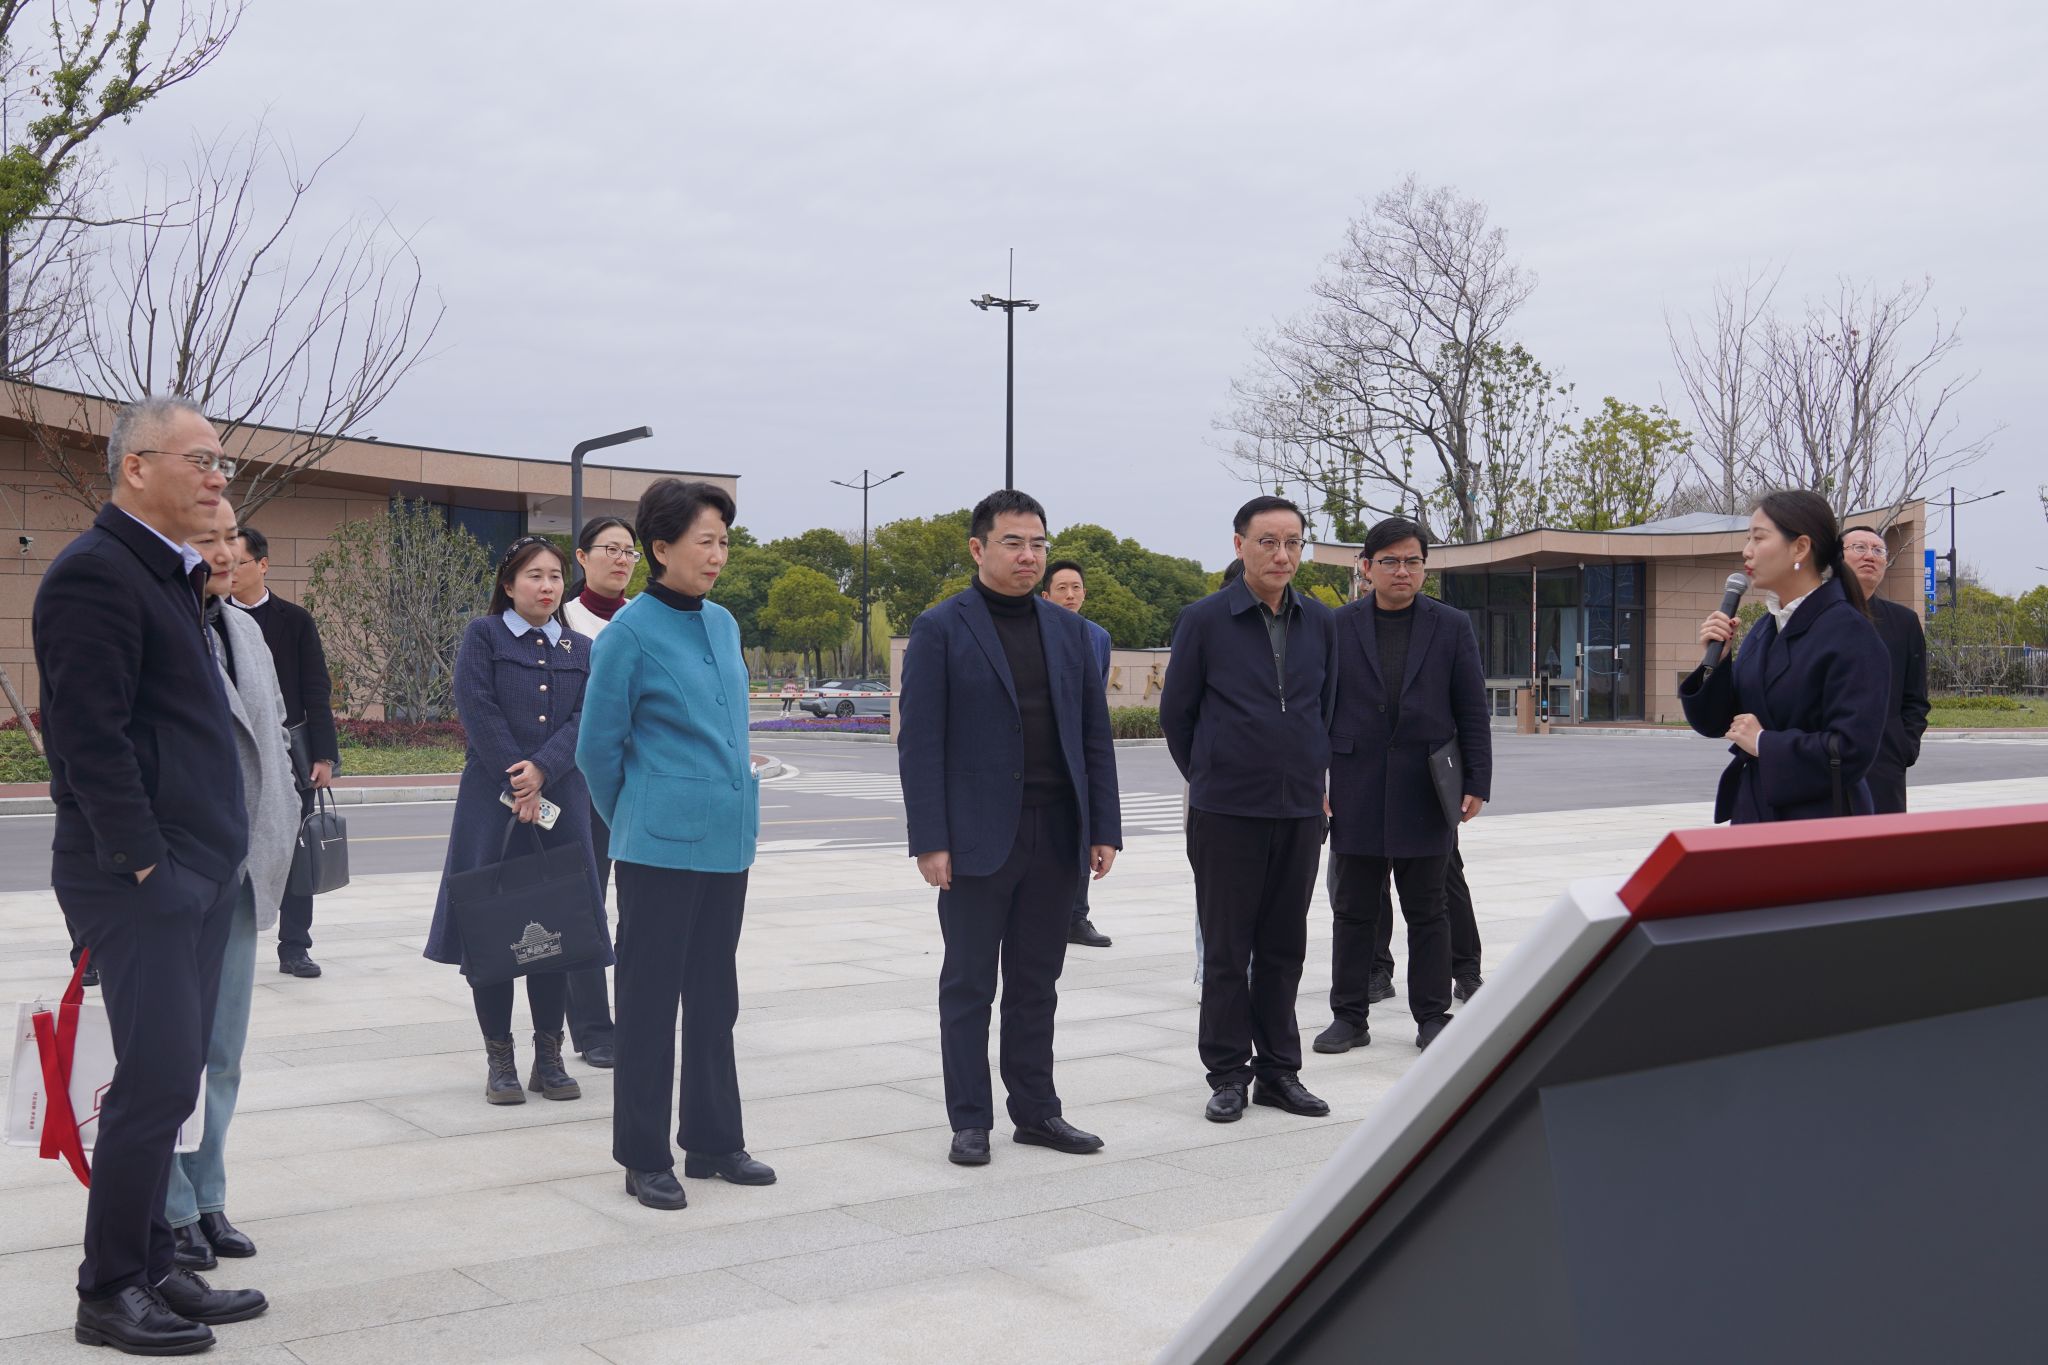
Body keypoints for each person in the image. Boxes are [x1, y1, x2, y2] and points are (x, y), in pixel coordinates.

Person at [35, 394, 267, 1354]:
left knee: (174, 1084)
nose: (218, 476)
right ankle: (108, 1288)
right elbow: (89, 743)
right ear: (136, 467)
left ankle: (155, 1262)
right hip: (141, 878)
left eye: (222, 462)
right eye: (199, 458)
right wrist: (147, 868)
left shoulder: (169, 574)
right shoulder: (95, 574)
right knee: (153, 1083)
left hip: (198, 872)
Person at [899, 490, 1122, 1167]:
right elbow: (920, 742)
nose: (1029, 556)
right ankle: (970, 1119)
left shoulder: (1070, 632)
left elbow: (1094, 735)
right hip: (975, 839)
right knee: (969, 985)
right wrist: (930, 839)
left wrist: (1103, 827)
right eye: (1014, 543)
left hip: (1055, 834)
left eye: (1038, 544)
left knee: (1036, 983)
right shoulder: (941, 627)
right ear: (978, 548)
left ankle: (1037, 1110)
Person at [577, 479, 771, 1212]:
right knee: (650, 1004)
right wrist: (636, 816)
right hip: (658, 848)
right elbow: (597, 750)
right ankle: (643, 1155)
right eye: (704, 541)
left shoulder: (723, 622)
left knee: (716, 999)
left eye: (724, 541)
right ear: (661, 548)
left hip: (726, 841)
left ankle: (714, 1141)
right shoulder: (628, 633)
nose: (717, 554)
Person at [1161, 495, 1337, 1124]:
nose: (1282, 555)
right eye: (1268, 541)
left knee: (1285, 947)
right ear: (1239, 546)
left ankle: (1280, 1072)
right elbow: (1177, 715)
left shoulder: (1321, 622)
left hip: (1300, 812)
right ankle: (1228, 1074)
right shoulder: (1204, 620)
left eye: (1293, 542)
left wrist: (1313, 778)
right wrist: (1215, 774)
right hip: (1227, 812)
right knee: (1228, 950)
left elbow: (1326, 709)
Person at [424, 536, 609, 1105]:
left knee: (557, 929)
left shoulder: (582, 647)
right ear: (508, 584)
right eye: (534, 576)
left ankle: (549, 1058)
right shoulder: (483, 636)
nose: (546, 586)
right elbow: (476, 707)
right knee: (493, 927)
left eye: (554, 576)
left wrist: (544, 770)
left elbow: (586, 718)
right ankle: (499, 1060)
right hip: (491, 801)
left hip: (562, 800)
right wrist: (517, 779)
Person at [168, 501, 302, 1273]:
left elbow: (274, 729)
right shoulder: (158, 621)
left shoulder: (244, 628)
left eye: (230, 540)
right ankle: (171, 1205)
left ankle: (208, 1192)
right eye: (205, 539)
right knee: (167, 1054)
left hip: (243, 867)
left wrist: (282, 815)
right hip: (176, 872)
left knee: (223, 1051)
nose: (222, 552)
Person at [1315, 519, 1490, 1054]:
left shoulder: (1451, 625)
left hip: (1426, 787)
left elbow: (1472, 709)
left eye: (1413, 561)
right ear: (1366, 568)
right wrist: (1314, 780)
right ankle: (1349, 1017)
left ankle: (1432, 1016)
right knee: (1353, 911)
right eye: (1390, 561)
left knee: (1429, 910)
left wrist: (1477, 780)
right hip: (1355, 785)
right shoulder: (1336, 626)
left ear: (1424, 568)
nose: (1402, 571)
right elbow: (1315, 710)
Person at [1682, 490, 1891, 823]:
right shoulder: (1764, 628)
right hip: (1756, 811)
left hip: (1820, 822)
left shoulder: (1851, 633)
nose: (1747, 551)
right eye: (1748, 539)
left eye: (1758, 538)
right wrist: (1717, 662)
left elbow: (1852, 749)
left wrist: (1765, 743)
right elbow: (1718, 724)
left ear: (1800, 547)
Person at [228, 526, 339, 980]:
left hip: (289, 753)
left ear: (263, 565)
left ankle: (295, 947)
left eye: (238, 561)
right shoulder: (209, 620)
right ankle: (222, 944)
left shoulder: (294, 620)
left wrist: (324, 756)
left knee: (295, 851)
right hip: (228, 753)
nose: (229, 569)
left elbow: (316, 690)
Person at [559, 515, 640, 1069]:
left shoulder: (644, 618)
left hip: (638, 784)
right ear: (583, 557)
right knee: (584, 906)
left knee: (640, 907)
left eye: (629, 551)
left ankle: (636, 1015)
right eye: (610, 549)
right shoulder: (561, 621)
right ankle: (592, 1029)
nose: (621, 559)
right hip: (576, 785)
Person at [1040, 558, 1116, 950]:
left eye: (1076, 588)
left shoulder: (1098, 637)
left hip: (1079, 749)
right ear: (1045, 595)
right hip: (1041, 750)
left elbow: (1094, 698)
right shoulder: (1036, 633)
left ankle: (1076, 916)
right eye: (1062, 588)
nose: (1070, 595)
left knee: (1082, 830)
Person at [1842, 525, 1930, 814]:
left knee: (1882, 840)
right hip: (1821, 763)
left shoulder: (1904, 622)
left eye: (1878, 550)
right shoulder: (1815, 615)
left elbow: (1915, 697)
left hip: (1884, 763)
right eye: (1859, 548)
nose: (1870, 556)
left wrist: (1904, 747)